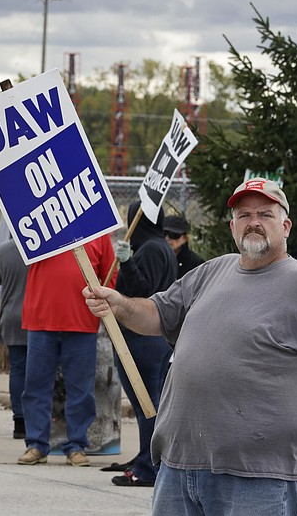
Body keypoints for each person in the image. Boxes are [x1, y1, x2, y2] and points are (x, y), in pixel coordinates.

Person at [83, 178, 297, 515]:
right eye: (244, 214)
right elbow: (157, 314)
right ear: (233, 225)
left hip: (259, 477)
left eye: (265, 214)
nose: (254, 222)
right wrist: (120, 305)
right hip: (179, 468)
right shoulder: (211, 272)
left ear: (285, 226)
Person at [17, 235, 116, 467]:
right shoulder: (43, 223)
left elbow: (110, 274)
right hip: (41, 319)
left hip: (81, 322)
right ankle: (37, 444)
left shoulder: (98, 233)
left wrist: (104, 303)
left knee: (81, 389)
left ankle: (76, 445)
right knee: (35, 387)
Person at [107, 202, 176, 487]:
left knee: (146, 404)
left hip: (141, 337)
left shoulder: (149, 248)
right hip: (158, 338)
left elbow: (141, 293)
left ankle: (148, 467)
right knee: (152, 403)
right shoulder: (162, 247)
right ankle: (146, 457)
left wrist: (126, 262)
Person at [0, 237, 29, 439]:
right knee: (41, 370)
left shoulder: (5, 250)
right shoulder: (42, 249)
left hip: (11, 317)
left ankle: (19, 422)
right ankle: (38, 419)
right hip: (36, 317)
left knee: (17, 369)